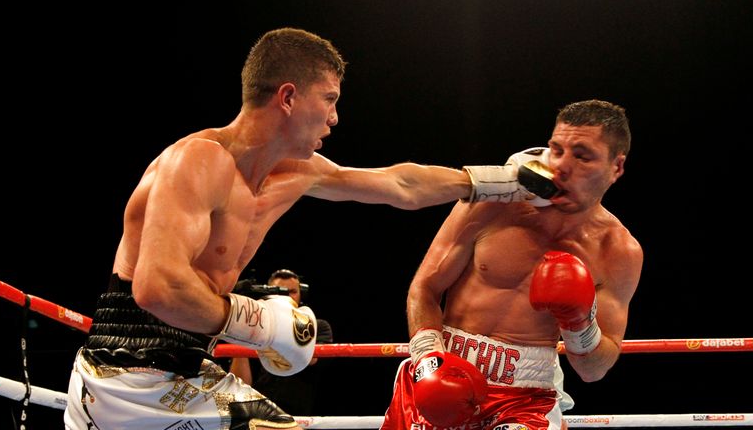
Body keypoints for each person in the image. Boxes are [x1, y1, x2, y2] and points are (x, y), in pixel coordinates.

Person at [63, 27, 550, 430]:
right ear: (289, 97)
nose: (336, 117)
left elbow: (399, 183)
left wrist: (500, 182)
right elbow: (158, 287)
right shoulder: (198, 162)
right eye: (330, 99)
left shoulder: (297, 172)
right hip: (122, 375)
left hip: (181, 372)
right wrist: (261, 324)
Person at [381, 99, 643, 430]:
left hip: (523, 398)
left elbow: (594, 369)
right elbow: (425, 287)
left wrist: (580, 324)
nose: (562, 166)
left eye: (582, 156)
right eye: (556, 149)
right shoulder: (495, 204)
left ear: (616, 167)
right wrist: (429, 361)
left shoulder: (617, 250)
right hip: (441, 369)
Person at [229, 269, 334, 415]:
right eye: (280, 292)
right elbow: (240, 384)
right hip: (257, 410)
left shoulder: (318, 326)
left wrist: (280, 330)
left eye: (292, 291)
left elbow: (312, 358)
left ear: (301, 295)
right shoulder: (253, 327)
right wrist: (241, 330)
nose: (286, 297)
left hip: (297, 411)